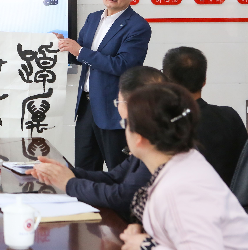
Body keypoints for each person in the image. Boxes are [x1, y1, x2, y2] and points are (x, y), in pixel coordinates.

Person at [120, 83, 248, 250]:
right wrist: (144, 230)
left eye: (125, 124)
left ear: (139, 137)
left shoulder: (178, 188)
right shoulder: (185, 161)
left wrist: (145, 245)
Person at [27, 66, 163, 221]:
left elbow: (122, 197)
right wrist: (65, 172)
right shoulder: (151, 133)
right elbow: (114, 177)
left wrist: (69, 183)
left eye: (118, 101)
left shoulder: (158, 146)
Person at [58, 0, 151, 171]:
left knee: (118, 171)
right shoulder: (93, 18)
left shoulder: (138, 26)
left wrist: (79, 51)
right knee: (84, 170)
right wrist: (63, 46)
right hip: (86, 107)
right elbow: (80, 58)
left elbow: (123, 65)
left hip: (114, 109)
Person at [162, 46, 247, 186]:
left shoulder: (162, 123)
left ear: (166, 83)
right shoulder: (229, 116)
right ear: (204, 81)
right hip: (229, 197)